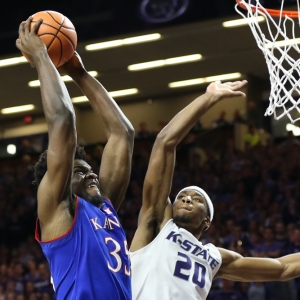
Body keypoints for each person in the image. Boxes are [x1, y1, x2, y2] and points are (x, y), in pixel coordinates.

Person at [130, 79, 300, 299]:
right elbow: (164, 142)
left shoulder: (214, 257)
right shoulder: (156, 229)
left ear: (207, 221)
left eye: (196, 199)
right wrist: (208, 98)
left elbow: (282, 268)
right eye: (181, 197)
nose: (187, 200)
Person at [16, 16, 134, 299]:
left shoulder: (104, 209)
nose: (92, 174)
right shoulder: (56, 209)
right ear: (61, 181)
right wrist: (42, 55)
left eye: (89, 169)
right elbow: (63, 121)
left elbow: (123, 134)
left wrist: (80, 74)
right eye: (79, 173)